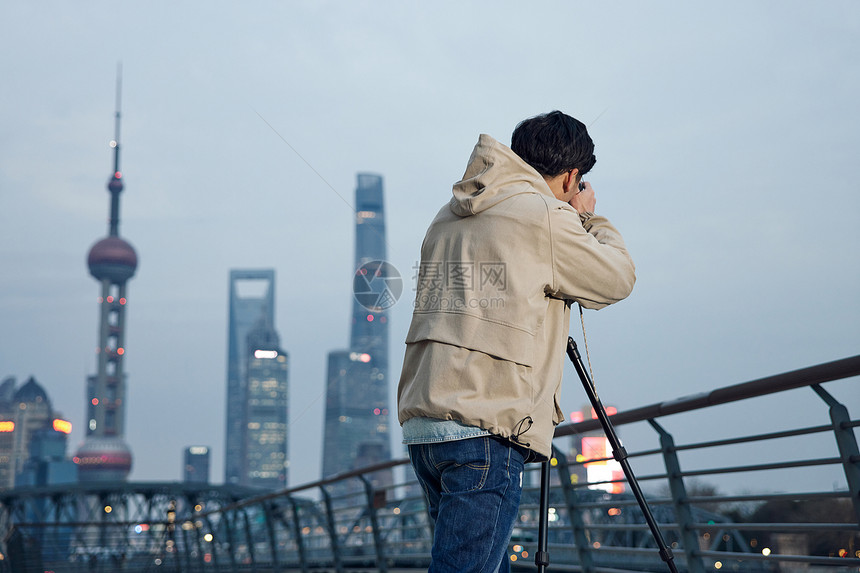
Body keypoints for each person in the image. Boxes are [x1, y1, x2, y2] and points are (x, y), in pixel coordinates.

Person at [397, 110, 636, 572]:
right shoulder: (544, 216)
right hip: (485, 426)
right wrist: (590, 218)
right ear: (571, 177)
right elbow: (617, 278)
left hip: (427, 422)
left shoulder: (447, 215)